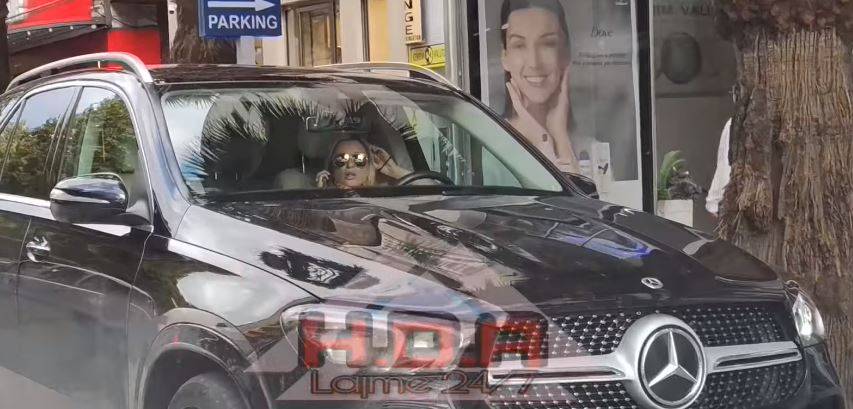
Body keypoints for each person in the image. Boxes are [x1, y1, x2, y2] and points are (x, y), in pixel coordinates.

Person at [500, 0, 590, 174]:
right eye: (519, 45)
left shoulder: (591, 149)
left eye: (547, 44)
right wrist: (542, 140)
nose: (534, 63)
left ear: (566, 53)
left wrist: (560, 138)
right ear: (504, 57)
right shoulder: (491, 144)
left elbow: (580, 192)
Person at [316, 137, 410, 188]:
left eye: (359, 159)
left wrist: (395, 171)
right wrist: (320, 194)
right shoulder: (321, 198)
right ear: (332, 169)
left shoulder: (385, 197)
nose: (350, 165)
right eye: (341, 159)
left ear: (369, 167)